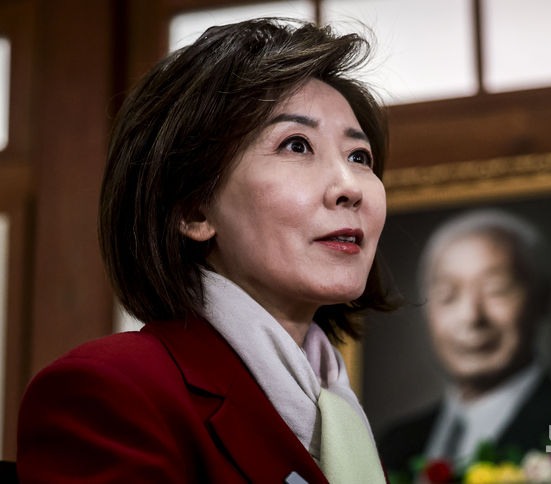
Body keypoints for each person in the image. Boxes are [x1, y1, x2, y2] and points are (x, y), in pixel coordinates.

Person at [17, 18, 395, 483]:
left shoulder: (340, 413)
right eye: (296, 145)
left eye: (359, 157)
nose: (349, 187)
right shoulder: (108, 391)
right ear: (193, 208)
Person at [379, 210, 551, 475]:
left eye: (496, 289)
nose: (471, 317)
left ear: (543, 298)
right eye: (447, 295)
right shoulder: (394, 445)